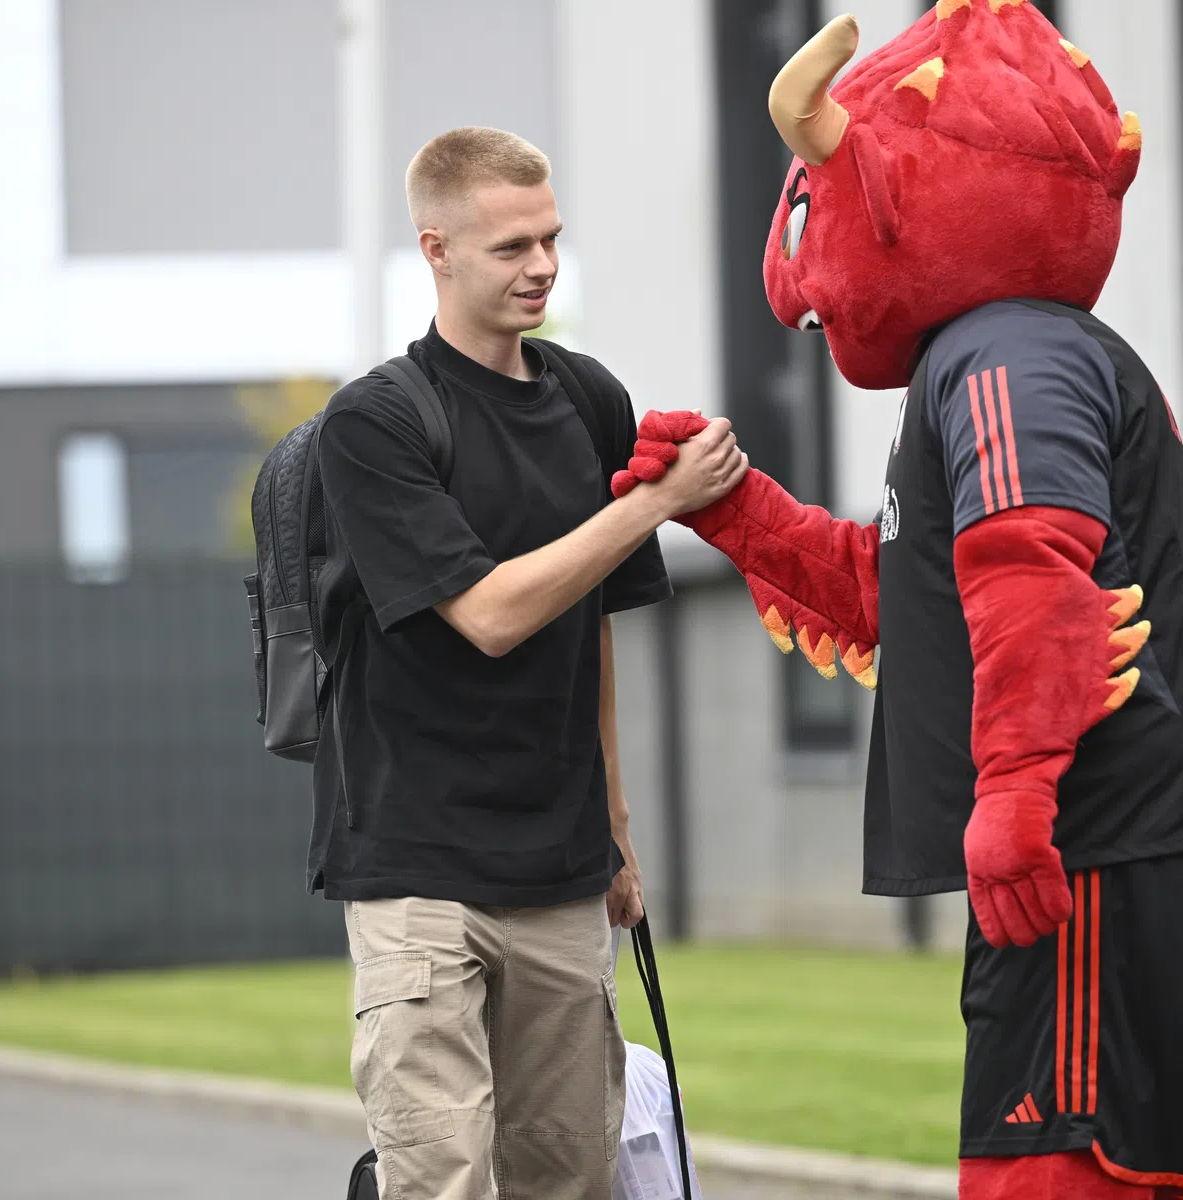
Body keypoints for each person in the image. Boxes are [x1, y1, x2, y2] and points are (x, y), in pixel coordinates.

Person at [612, 6, 1183, 1199]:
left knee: (1055, 1175)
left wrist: (1016, 794)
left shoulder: (1007, 351)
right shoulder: (1009, 351)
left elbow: (1033, 564)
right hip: (1131, 837)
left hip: (1098, 838)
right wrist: (741, 512)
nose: (799, 287)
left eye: (820, 199)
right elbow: (918, 599)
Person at [310, 126, 746, 1200]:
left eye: (551, 239)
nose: (541, 266)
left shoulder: (588, 399)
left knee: (571, 1178)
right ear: (438, 249)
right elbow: (493, 615)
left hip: (559, 873)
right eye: (511, 247)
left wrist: (617, 832)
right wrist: (654, 503)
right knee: (442, 1175)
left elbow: (586, 625)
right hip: (416, 873)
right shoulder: (374, 425)